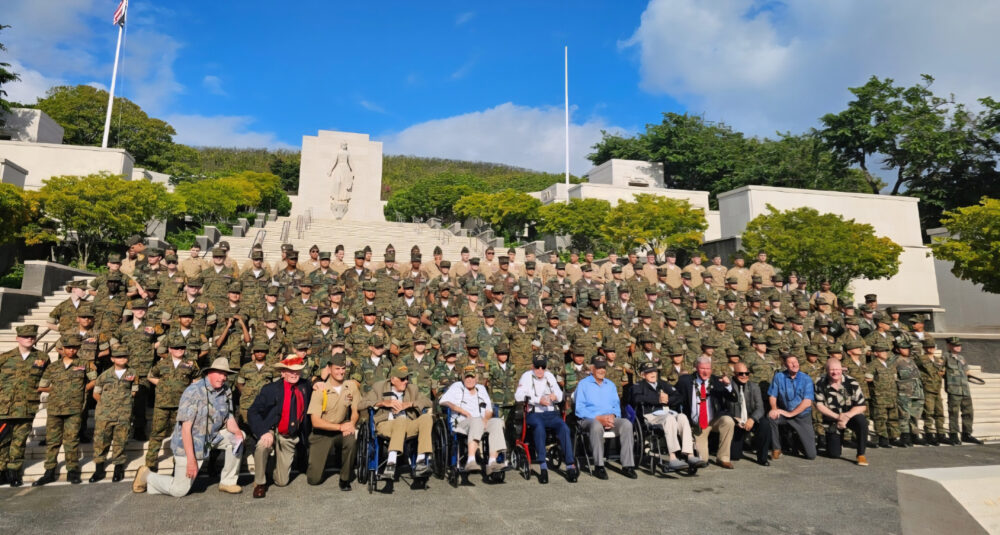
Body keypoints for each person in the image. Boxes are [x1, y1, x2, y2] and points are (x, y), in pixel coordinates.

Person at [133, 358, 244, 497]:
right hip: (189, 444)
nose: (223, 378)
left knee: (238, 437)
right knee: (180, 490)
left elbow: (229, 417)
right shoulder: (194, 391)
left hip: (211, 437)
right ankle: (147, 476)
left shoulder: (226, 390)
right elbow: (186, 429)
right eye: (220, 373)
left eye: (225, 374)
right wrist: (191, 460)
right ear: (209, 373)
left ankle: (228, 482)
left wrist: (237, 432)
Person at [34, 334, 97, 486]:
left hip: (74, 408)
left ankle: (72, 470)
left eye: (74, 348)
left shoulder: (84, 364)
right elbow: (42, 385)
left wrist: (83, 390)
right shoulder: (53, 366)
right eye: (68, 348)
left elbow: (94, 380)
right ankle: (49, 471)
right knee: (53, 442)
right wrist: (56, 390)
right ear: (62, 349)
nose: (71, 350)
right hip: (55, 408)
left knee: (71, 440)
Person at [248, 356, 313, 498]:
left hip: (289, 435)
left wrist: (319, 384)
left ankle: (271, 466)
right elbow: (252, 412)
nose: (294, 374)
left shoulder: (305, 386)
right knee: (262, 446)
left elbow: (316, 392)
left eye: (297, 371)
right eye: (290, 371)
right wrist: (264, 431)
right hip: (272, 430)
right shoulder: (270, 389)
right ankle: (259, 483)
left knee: (281, 482)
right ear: (283, 372)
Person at [360, 364, 435, 479]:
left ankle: (420, 461)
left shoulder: (412, 389)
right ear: (393, 379)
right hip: (386, 424)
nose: (405, 381)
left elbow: (428, 402)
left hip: (408, 424)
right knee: (400, 420)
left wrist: (410, 404)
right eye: (402, 379)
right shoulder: (379, 387)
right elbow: (360, 404)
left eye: (407, 378)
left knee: (426, 418)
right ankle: (391, 462)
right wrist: (382, 403)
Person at [514, 355, 578, 484]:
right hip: (535, 413)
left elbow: (560, 395)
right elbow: (518, 395)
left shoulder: (549, 376)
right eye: (537, 367)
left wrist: (555, 396)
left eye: (542, 367)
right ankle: (543, 465)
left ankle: (570, 464)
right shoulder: (527, 376)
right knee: (539, 428)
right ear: (533, 366)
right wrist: (538, 400)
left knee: (564, 428)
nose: (540, 370)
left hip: (551, 413)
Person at [630, 361, 701, 471]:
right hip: (651, 416)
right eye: (649, 372)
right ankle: (672, 457)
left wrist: (668, 400)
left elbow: (679, 397)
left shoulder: (662, 384)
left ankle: (690, 454)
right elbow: (636, 399)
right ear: (643, 375)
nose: (653, 374)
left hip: (667, 413)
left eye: (654, 371)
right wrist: (657, 400)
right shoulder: (639, 386)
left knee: (682, 417)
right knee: (670, 419)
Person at [574, 355, 637, 480]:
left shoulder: (611, 385)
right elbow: (579, 409)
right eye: (598, 367)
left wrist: (612, 417)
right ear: (592, 368)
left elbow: (616, 406)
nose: (602, 370)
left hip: (609, 420)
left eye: (603, 367)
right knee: (596, 426)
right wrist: (598, 418)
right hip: (589, 420)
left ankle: (628, 465)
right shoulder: (583, 385)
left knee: (626, 424)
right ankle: (599, 466)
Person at [440, 366, 510, 475]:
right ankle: (471, 460)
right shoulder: (456, 386)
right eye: (467, 377)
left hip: (481, 421)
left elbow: (489, 410)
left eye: (472, 377)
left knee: (496, 422)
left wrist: (486, 420)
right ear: (463, 378)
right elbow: (443, 401)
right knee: (476, 421)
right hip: (462, 422)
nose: (469, 379)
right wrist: (462, 411)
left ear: (476, 378)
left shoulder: (481, 388)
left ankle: (492, 462)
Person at [0, 325, 47, 487]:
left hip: (27, 407)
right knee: (2, 441)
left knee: (19, 441)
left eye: (32, 336)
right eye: (26, 336)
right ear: (17, 338)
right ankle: (1, 471)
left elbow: (47, 379)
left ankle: (14, 472)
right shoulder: (5, 358)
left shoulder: (42, 358)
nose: (29, 339)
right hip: (4, 408)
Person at [306, 353, 359, 490]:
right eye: (337, 369)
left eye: (343, 368)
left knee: (351, 440)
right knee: (314, 479)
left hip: (342, 430)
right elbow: (316, 422)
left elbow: (355, 411)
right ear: (329, 369)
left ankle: (345, 478)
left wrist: (351, 424)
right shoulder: (321, 389)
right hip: (322, 433)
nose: (341, 372)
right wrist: (341, 427)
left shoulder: (350, 386)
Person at [675, 356, 737, 469]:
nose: (705, 371)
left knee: (728, 421)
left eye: (708, 368)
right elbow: (675, 397)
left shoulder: (717, 381)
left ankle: (723, 458)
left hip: (714, 419)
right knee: (702, 460)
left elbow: (733, 398)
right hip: (697, 424)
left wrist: (728, 385)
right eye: (702, 368)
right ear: (696, 368)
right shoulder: (685, 381)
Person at [89, 348, 139, 483]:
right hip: (105, 414)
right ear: (112, 359)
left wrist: (123, 403)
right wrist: (107, 405)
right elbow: (96, 393)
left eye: (124, 356)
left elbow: (134, 391)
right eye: (118, 357)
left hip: (123, 413)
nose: (122, 359)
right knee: (101, 441)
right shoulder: (104, 375)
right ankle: (99, 469)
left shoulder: (133, 373)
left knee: (120, 440)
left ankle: (118, 468)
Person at [814, 360, 869, 466]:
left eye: (837, 369)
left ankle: (861, 454)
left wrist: (846, 416)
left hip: (851, 416)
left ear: (842, 369)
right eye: (832, 370)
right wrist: (838, 417)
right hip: (832, 419)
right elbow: (819, 406)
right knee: (834, 454)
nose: (835, 372)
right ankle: (834, 443)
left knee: (862, 422)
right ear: (826, 370)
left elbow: (862, 406)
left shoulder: (851, 382)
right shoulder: (820, 383)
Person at [767, 354, 817, 460]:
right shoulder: (779, 377)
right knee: (771, 417)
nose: (795, 365)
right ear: (785, 365)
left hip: (802, 416)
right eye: (791, 363)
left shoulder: (806, 379)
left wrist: (791, 414)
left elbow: (807, 402)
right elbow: (772, 395)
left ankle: (797, 441)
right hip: (785, 414)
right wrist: (774, 409)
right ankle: (776, 448)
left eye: (796, 362)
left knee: (811, 455)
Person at [729, 362, 770, 466]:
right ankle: (744, 444)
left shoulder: (754, 386)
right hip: (736, 422)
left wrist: (752, 419)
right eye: (741, 373)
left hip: (751, 419)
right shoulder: (728, 386)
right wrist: (734, 418)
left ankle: (762, 458)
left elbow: (760, 408)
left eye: (746, 373)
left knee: (765, 423)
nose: (744, 376)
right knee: (735, 456)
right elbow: (723, 407)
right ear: (734, 374)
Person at [944, 337, 982, 445]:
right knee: (954, 413)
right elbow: (940, 372)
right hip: (954, 390)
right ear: (949, 346)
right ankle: (954, 435)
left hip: (965, 390)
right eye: (955, 345)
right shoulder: (945, 357)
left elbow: (967, 371)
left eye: (959, 345)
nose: (958, 347)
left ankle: (967, 434)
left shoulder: (961, 357)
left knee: (968, 412)